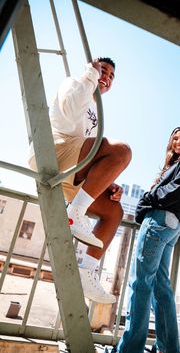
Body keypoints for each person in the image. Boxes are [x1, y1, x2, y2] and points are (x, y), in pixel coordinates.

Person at [29, 57, 132, 304]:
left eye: (111, 75)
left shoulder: (97, 109)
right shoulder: (74, 83)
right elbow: (70, 112)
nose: (106, 76)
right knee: (122, 151)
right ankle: (75, 213)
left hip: (72, 165)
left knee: (113, 210)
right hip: (54, 149)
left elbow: (93, 155)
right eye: (103, 70)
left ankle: (87, 270)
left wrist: (107, 184)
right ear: (91, 67)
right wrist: (90, 75)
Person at [117, 127, 180, 353]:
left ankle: (130, 349)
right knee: (161, 287)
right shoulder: (178, 165)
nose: (179, 142)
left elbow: (176, 192)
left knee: (140, 284)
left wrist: (148, 198)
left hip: (158, 222)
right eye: (175, 138)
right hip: (171, 226)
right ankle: (169, 348)